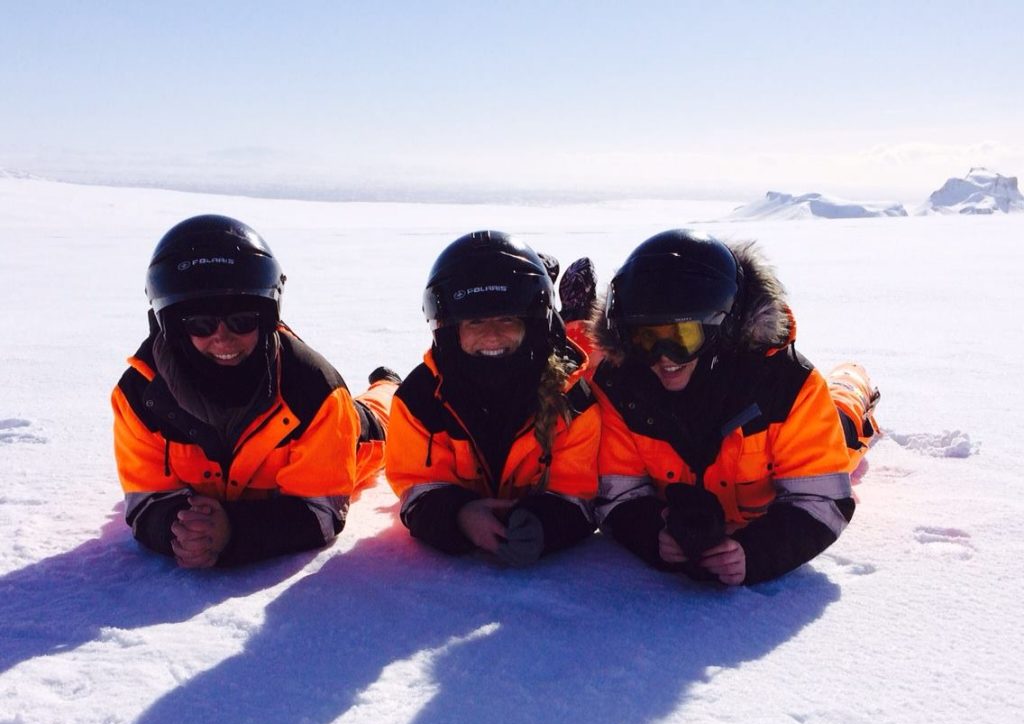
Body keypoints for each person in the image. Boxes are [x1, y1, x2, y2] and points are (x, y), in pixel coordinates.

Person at [589, 228, 880, 586]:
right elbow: (618, 494)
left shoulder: (788, 387)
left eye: (682, 338)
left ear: (720, 329)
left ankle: (852, 385)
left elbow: (821, 500)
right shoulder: (621, 387)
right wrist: (654, 535)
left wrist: (755, 555)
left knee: (843, 427)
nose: (663, 358)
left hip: (813, 430)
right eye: (646, 338)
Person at [112, 214, 398, 568]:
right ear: (172, 326)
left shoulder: (315, 392)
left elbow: (320, 512)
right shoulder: (140, 396)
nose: (222, 336)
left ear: (265, 318)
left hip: (351, 431)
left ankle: (389, 385)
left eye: (242, 320)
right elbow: (146, 499)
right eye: (201, 323)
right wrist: (178, 527)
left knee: (387, 419)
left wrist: (233, 532)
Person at [384, 230, 600, 565]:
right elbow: (416, 486)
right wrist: (459, 516)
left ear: (531, 324)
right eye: (475, 321)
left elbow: (580, 495)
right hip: (384, 403)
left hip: (552, 350)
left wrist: (547, 524)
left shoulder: (574, 401)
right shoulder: (418, 401)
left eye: (507, 318)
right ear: (450, 330)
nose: (492, 334)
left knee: (596, 366)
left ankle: (574, 315)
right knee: (377, 408)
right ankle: (383, 384)